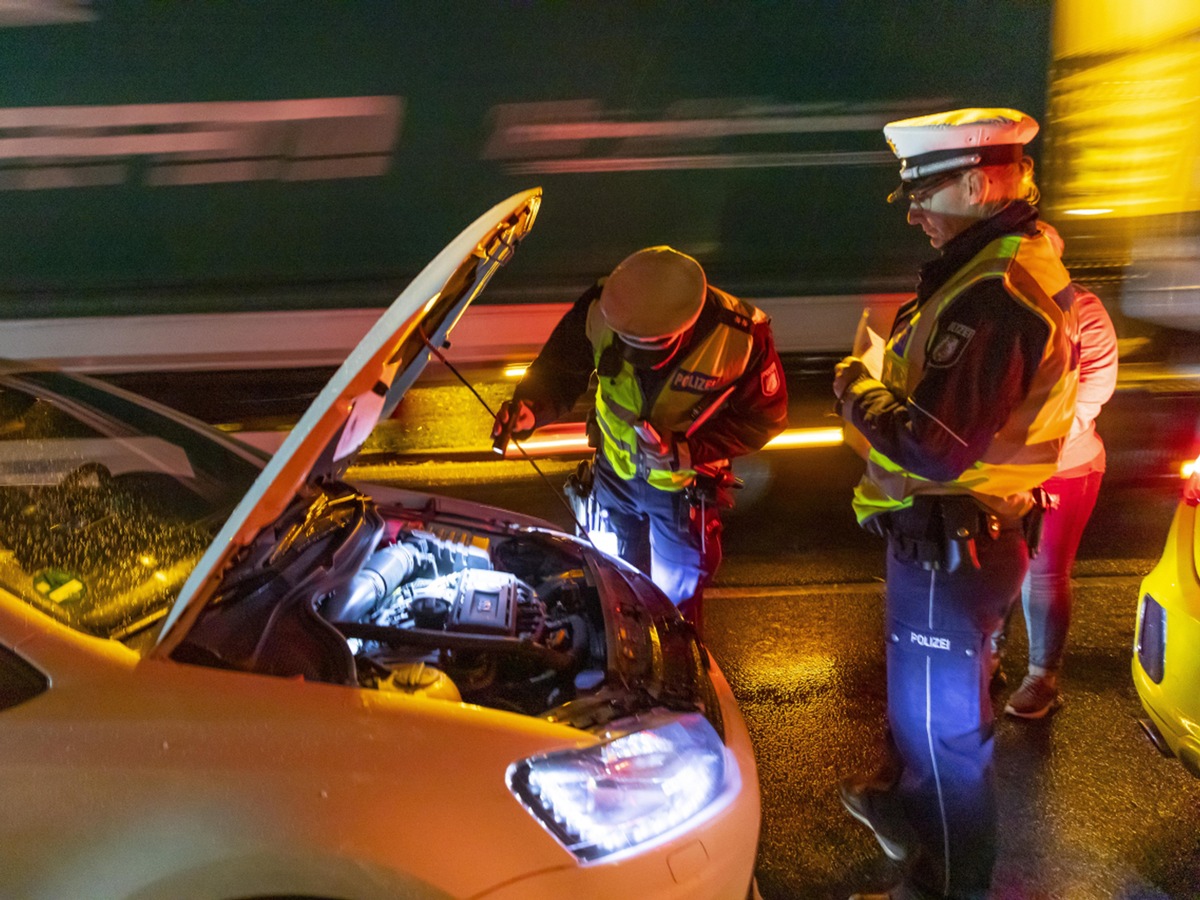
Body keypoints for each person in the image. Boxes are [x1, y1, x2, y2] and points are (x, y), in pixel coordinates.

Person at [831, 108, 1080, 900]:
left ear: (978, 184)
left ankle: (945, 887)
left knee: (943, 743)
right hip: (955, 542)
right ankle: (912, 830)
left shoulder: (994, 289)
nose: (913, 212)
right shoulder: (1001, 264)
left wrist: (854, 388)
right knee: (929, 731)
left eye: (924, 193)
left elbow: (935, 444)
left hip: (952, 546)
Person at [491, 245, 788, 637]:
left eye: (650, 348)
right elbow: (559, 369)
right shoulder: (603, 305)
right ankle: (612, 666)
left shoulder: (741, 335)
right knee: (606, 587)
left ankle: (677, 683)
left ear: (683, 330)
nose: (636, 357)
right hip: (613, 478)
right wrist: (531, 407)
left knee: (674, 605)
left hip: (680, 490)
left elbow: (765, 417)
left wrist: (685, 451)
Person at [995, 227, 1118, 718]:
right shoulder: (1003, 304)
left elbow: (1093, 394)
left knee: (1044, 574)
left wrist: (1030, 443)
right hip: (1006, 467)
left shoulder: (1085, 311)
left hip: (1066, 466)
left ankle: (1043, 678)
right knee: (998, 564)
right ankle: (990, 657)